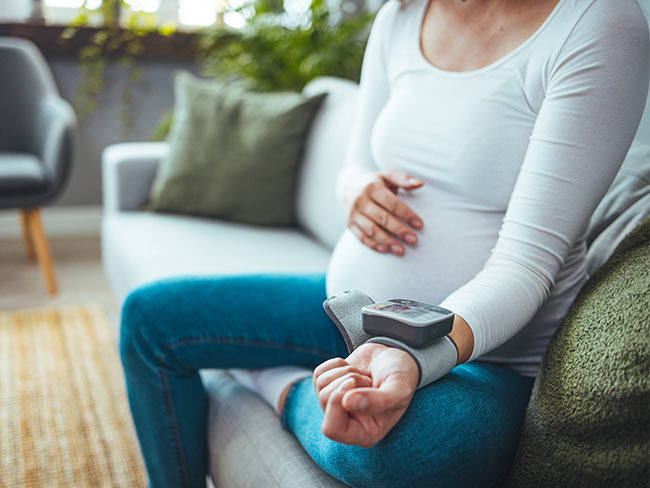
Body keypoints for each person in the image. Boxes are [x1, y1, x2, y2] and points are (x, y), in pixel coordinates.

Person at [119, 0, 649, 486]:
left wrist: (415, 353)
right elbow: (357, 164)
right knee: (151, 320)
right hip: (353, 308)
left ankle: (278, 385)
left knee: (411, 452)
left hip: (486, 356)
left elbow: (526, 265)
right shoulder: (400, 16)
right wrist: (355, 190)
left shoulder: (597, 25)